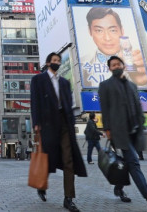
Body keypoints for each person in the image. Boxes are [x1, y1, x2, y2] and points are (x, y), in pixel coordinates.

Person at [99, 56, 147, 212]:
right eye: (113, 65)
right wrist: (107, 129)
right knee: (134, 163)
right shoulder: (105, 85)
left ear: (123, 66)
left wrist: (141, 122)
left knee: (129, 163)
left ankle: (119, 187)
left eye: (118, 64)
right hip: (118, 132)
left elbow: (138, 106)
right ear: (109, 68)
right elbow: (105, 109)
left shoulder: (132, 86)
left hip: (135, 131)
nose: (116, 67)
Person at [31, 52, 86, 212]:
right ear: (48, 63)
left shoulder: (64, 82)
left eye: (58, 61)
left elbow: (68, 104)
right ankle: (41, 185)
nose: (57, 62)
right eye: (54, 60)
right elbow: (35, 102)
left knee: (68, 160)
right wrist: (36, 123)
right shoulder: (38, 80)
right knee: (48, 159)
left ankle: (68, 198)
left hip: (64, 124)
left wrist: (72, 122)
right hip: (47, 124)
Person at [81, 7, 147, 88]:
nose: (107, 38)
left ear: (122, 31)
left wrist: (143, 83)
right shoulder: (82, 64)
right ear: (90, 32)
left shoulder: (139, 60)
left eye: (112, 30)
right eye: (99, 30)